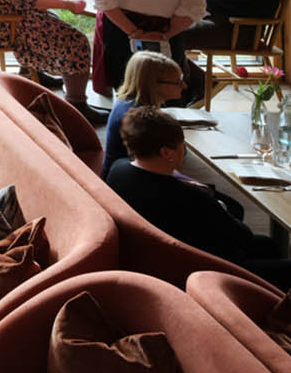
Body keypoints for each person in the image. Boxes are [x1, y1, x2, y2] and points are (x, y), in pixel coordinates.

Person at [107, 101, 291, 290]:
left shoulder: (118, 170)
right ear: (166, 152)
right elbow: (243, 235)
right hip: (210, 271)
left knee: (269, 245)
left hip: (161, 255)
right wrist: (213, 200)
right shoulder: (189, 198)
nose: (184, 150)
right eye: (182, 145)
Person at [99, 47, 185, 179]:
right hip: (130, 181)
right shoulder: (142, 120)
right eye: (178, 82)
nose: (184, 86)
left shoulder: (125, 102)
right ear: (155, 85)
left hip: (117, 172)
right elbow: (170, 158)